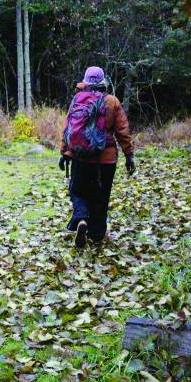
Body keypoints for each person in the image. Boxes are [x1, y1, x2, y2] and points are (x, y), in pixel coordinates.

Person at [59, 66, 134, 248]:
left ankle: (81, 219)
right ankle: (97, 234)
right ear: (103, 83)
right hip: (105, 160)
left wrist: (64, 153)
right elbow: (122, 131)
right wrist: (129, 155)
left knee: (77, 191)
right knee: (101, 197)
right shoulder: (112, 102)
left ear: (85, 81)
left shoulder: (78, 99)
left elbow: (69, 128)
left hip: (80, 157)